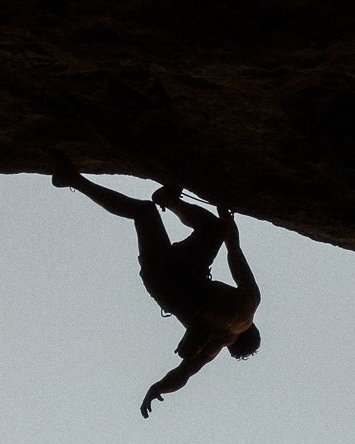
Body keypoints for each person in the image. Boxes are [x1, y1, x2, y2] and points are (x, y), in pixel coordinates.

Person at [52, 153, 261, 416]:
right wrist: (157, 389)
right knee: (142, 214)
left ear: (254, 328)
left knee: (210, 228)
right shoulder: (219, 341)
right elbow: (183, 374)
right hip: (163, 284)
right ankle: (71, 179)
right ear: (235, 343)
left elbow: (235, 253)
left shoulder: (251, 302)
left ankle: (169, 199)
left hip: (187, 270)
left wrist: (226, 219)